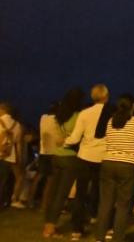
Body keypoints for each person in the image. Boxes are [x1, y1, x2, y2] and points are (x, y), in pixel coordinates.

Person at [94, 94, 134, 242]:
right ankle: (118, 237)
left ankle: (100, 237)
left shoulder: (111, 121)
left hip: (109, 162)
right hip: (129, 164)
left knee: (105, 202)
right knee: (123, 205)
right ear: (133, 105)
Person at [62, 83, 111, 238]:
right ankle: (105, 226)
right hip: (103, 157)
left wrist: (64, 141)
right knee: (104, 194)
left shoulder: (84, 113)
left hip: (85, 156)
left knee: (80, 194)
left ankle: (77, 229)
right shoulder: (112, 114)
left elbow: (76, 137)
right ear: (106, 97)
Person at [41, 88, 84, 238]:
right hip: (70, 157)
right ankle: (50, 228)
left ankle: (47, 224)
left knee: (53, 192)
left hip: (56, 155)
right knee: (62, 194)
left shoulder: (60, 114)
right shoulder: (79, 116)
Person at [0, 102, 23, 208]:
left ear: (3, 110)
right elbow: (18, 142)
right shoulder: (17, 125)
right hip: (9, 155)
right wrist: (19, 157)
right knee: (5, 180)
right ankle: (5, 201)